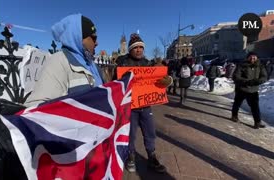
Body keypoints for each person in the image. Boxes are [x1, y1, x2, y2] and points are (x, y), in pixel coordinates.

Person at [114, 33, 169, 173]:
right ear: (130, 49)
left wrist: (167, 81)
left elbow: (160, 81)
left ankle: (152, 157)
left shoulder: (148, 64)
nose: (139, 50)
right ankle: (130, 156)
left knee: (150, 132)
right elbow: (115, 84)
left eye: (141, 47)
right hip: (130, 108)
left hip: (145, 106)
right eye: (136, 47)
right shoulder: (122, 64)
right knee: (131, 134)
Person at [25, 14, 104, 106]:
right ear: (78, 38)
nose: (97, 43)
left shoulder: (93, 66)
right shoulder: (58, 62)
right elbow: (37, 109)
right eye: (93, 38)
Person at [231, 52, 267, 129]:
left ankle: (257, 122)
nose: (252, 59)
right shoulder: (241, 65)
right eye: (250, 57)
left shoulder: (260, 66)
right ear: (247, 57)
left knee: (255, 107)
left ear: (257, 58)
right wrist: (246, 82)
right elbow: (236, 76)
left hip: (253, 90)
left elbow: (264, 77)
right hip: (241, 89)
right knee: (237, 103)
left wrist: (256, 81)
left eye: (254, 57)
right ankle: (234, 116)